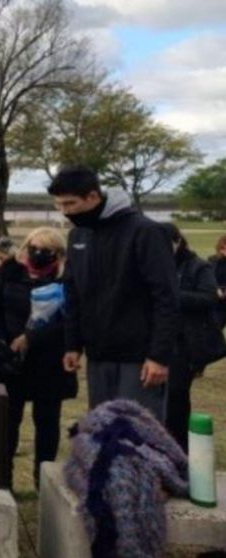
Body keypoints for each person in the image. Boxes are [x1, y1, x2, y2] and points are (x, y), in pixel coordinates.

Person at [49, 165, 179, 420]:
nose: (65, 212)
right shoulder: (78, 235)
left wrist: (159, 356)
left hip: (139, 358)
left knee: (138, 436)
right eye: (59, 205)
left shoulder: (145, 231)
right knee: (103, 431)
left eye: (70, 204)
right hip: (98, 356)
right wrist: (72, 344)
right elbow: (72, 293)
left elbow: (166, 297)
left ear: (93, 197)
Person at [0, 227, 76, 488]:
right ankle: (4, 480)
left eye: (46, 250)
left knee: (47, 423)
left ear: (58, 254)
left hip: (49, 361)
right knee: (8, 422)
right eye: (33, 247)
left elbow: (70, 321)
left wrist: (31, 338)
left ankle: (43, 482)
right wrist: (1, 340)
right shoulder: (10, 272)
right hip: (10, 360)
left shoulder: (66, 280)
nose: (38, 254)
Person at [161, 224, 226, 451]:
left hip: (185, 343)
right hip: (157, 339)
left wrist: (170, 296)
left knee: (176, 397)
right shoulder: (153, 265)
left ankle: (179, 450)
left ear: (178, 242)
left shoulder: (198, 266)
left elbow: (210, 298)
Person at [209, 234, 226, 328]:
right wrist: (216, 288)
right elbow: (209, 278)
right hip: (218, 302)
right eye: (223, 248)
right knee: (214, 330)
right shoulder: (212, 260)